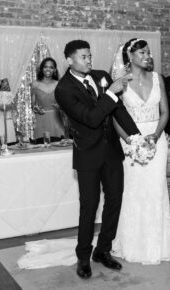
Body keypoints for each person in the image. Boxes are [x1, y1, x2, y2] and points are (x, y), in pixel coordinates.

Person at [54, 40, 140, 279]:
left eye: (90, 56)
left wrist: (137, 137)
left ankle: (103, 250)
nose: (89, 61)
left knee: (114, 201)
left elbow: (118, 110)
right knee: (89, 206)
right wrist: (111, 93)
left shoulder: (101, 76)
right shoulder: (63, 89)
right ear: (69, 60)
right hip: (87, 154)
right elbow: (91, 118)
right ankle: (83, 256)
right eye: (83, 57)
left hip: (112, 151)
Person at [111, 38, 170, 265]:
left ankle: (156, 244)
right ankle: (131, 243)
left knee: (156, 189)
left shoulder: (158, 78)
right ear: (130, 56)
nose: (147, 55)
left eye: (149, 52)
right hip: (130, 141)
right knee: (133, 190)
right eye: (142, 52)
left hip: (156, 139)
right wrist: (131, 142)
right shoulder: (120, 82)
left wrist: (156, 135)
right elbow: (115, 117)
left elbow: (165, 112)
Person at [31, 57, 65, 141]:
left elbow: (63, 104)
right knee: (42, 147)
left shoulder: (59, 84)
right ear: (42, 68)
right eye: (45, 67)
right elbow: (33, 105)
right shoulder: (35, 84)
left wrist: (60, 107)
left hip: (56, 120)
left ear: (55, 70)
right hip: (41, 119)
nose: (48, 69)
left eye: (51, 67)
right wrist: (36, 109)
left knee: (59, 146)